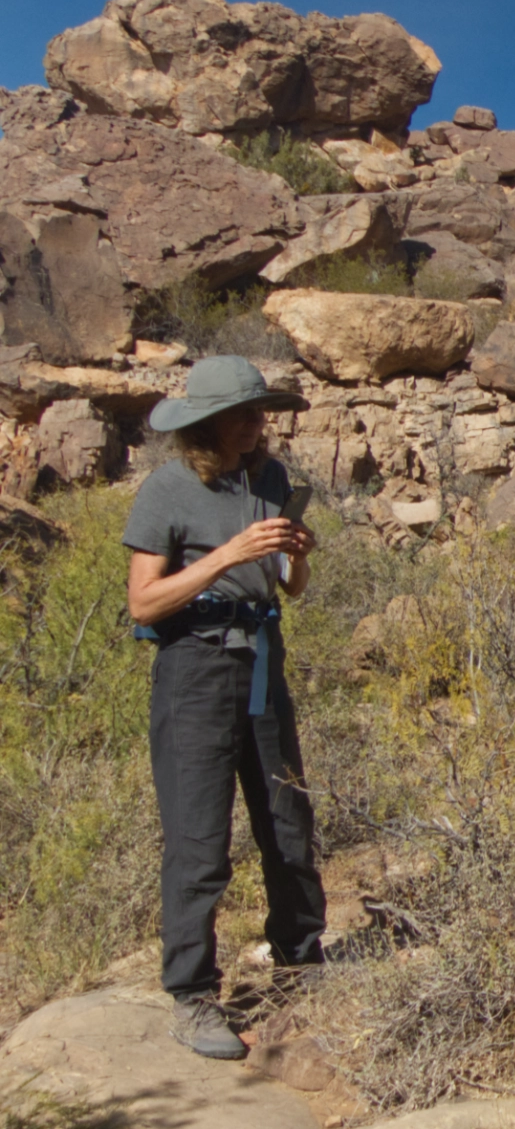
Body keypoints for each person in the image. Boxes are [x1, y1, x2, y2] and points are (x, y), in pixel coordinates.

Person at [123, 355, 324, 1060]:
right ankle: (193, 995)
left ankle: (303, 962)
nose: (256, 423)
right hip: (195, 667)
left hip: (261, 661)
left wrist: (296, 554)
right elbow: (143, 601)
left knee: (287, 819)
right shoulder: (168, 490)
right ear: (206, 424)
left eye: (260, 411)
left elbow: (288, 588)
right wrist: (223, 555)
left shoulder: (268, 479)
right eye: (243, 413)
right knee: (200, 839)